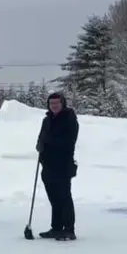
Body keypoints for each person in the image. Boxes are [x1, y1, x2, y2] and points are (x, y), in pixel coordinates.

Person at [36, 92, 79, 240]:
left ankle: (69, 229)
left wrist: (48, 141)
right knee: (54, 199)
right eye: (51, 103)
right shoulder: (46, 120)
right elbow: (41, 138)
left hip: (63, 164)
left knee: (64, 197)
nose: (54, 106)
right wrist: (40, 145)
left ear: (62, 104)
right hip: (47, 165)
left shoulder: (70, 119)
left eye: (57, 103)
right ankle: (56, 227)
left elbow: (68, 142)